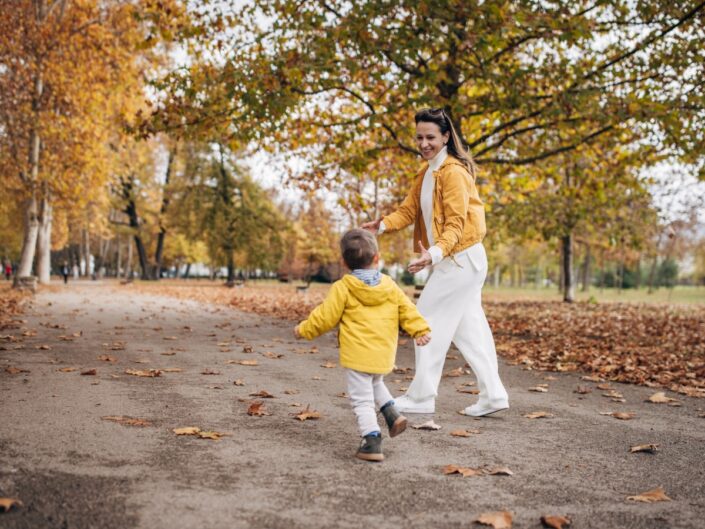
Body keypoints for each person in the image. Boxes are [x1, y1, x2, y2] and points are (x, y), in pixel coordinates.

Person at [361, 107, 509, 417]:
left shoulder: (453, 172)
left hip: (460, 259)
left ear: (445, 136)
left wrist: (433, 254)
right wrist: (383, 225)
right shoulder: (427, 172)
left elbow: (455, 224)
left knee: (424, 319)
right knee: (470, 330)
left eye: (430, 137)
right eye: (419, 137)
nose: (424, 143)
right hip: (457, 260)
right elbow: (408, 211)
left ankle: (421, 397)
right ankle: (493, 395)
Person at [294, 229, 431, 462]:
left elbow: (325, 317)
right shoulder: (389, 285)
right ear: (377, 258)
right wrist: (420, 329)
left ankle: (371, 441)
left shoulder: (343, 287)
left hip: (358, 355)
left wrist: (303, 329)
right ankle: (392, 413)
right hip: (383, 353)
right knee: (376, 381)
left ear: (344, 262)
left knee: (362, 400)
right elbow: (407, 308)